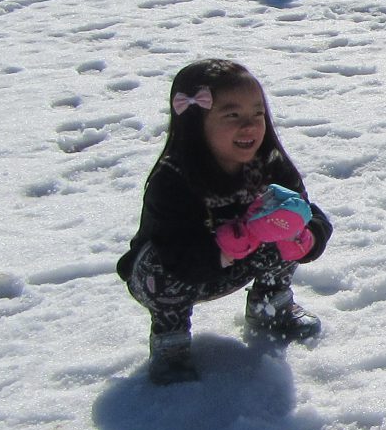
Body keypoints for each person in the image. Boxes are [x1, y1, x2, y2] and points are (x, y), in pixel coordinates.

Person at [117, 60, 333, 383]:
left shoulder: (270, 165)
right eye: (232, 116)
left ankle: (270, 306)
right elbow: (171, 249)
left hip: (240, 263)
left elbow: (305, 210)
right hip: (176, 271)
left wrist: (307, 236)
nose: (249, 126)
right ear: (195, 122)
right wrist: (222, 248)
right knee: (157, 268)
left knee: (284, 224)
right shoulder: (173, 180)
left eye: (257, 114)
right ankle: (170, 340)